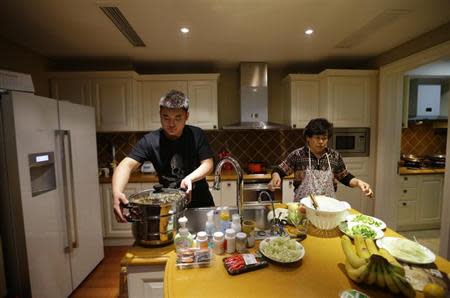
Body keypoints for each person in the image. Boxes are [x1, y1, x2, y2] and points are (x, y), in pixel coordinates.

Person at [112, 90, 215, 222]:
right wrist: (117, 192)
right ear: (160, 115)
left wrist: (190, 178)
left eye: (178, 118)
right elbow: (126, 165)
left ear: (186, 116)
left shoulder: (196, 134)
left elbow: (208, 163)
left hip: (201, 203)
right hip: (168, 207)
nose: (171, 124)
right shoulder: (150, 140)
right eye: (166, 117)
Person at [268, 118, 373, 201]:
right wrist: (275, 177)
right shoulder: (298, 155)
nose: (321, 142)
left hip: (328, 209)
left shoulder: (334, 156)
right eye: (317, 138)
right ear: (308, 138)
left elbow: (345, 177)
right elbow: (279, 170)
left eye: (324, 138)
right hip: (303, 208)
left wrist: (359, 183)